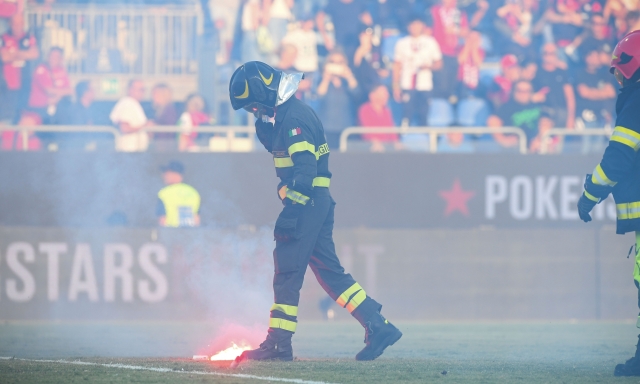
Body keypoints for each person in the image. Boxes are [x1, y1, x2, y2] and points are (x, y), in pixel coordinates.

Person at [228, 61, 401, 364]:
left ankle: (278, 345)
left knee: (287, 274)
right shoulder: (292, 114)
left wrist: (293, 210)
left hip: (306, 204)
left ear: (264, 94)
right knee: (330, 274)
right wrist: (269, 132)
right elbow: (292, 157)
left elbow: (304, 171)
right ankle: (378, 325)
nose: (253, 111)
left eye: (253, 105)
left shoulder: (293, 119)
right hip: (318, 203)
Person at [576, 31, 640, 377]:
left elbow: (617, 157)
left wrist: (589, 196)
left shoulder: (637, 99)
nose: (617, 77)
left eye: (620, 69)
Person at [392, 17, 442, 127]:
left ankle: (425, 139)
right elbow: (397, 65)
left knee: (424, 115)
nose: (415, 27)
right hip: (407, 84)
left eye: (417, 24)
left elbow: (439, 63)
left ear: (422, 26)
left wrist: (428, 67)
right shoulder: (401, 43)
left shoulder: (430, 42)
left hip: (425, 85)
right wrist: (396, 85)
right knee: (406, 115)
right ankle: (403, 138)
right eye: (412, 24)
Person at [486, 79, 555, 152]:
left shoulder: (539, 106)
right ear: (513, 92)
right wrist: (503, 140)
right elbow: (492, 121)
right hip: (515, 149)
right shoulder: (506, 107)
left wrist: (539, 139)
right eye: (519, 90)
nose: (523, 94)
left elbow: (547, 123)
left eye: (526, 91)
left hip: (538, 147)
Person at [0, 13, 38, 123]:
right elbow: (4, 57)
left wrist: (13, 53)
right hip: (7, 86)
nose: (17, 26)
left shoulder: (29, 37)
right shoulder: (3, 38)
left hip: (24, 84)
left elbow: (34, 54)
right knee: (6, 117)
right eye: (15, 24)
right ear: (10, 24)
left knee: (22, 116)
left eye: (20, 23)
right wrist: (25, 54)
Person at [317, 50, 359, 148]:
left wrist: (349, 77)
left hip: (346, 126)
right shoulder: (321, 79)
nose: (336, 65)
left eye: (340, 62)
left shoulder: (347, 81)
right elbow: (319, 96)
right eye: (332, 62)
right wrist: (326, 79)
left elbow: (357, 94)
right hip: (327, 126)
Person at [532, 43, 576, 129]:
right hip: (543, 113)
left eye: (551, 53)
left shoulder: (562, 72)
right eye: (545, 53)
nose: (548, 56)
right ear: (541, 55)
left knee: (560, 141)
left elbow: (570, 97)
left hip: (561, 112)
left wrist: (571, 119)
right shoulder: (536, 72)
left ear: (556, 55)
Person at [27, 47, 72, 123]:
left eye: (56, 57)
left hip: (56, 107)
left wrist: (57, 98)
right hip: (40, 109)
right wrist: (62, 93)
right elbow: (49, 90)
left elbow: (70, 90)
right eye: (51, 56)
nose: (52, 58)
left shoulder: (62, 69)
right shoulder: (41, 69)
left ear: (61, 58)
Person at [109, 79, 153, 152]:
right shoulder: (128, 103)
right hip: (129, 151)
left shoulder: (133, 104)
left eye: (143, 90)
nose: (142, 92)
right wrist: (146, 126)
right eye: (140, 89)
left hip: (135, 151)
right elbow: (124, 128)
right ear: (130, 90)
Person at [358, 84, 401, 152]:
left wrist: (396, 143)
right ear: (372, 95)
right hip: (370, 148)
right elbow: (367, 130)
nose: (387, 96)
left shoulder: (387, 111)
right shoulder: (365, 109)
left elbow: (391, 130)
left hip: (387, 147)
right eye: (384, 93)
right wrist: (375, 143)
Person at [157, 160, 201, 228]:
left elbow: (162, 220)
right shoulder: (193, 192)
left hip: (170, 234)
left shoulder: (164, 193)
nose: (163, 176)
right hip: (189, 235)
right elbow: (197, 219)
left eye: (166, 173)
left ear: (174, 174)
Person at [150, 83, 178, 151]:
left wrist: (155, 127)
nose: (152, 97)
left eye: (155, 94)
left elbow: (169, 130)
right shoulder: (160, 111)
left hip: (165, 149)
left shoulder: (169, 111)